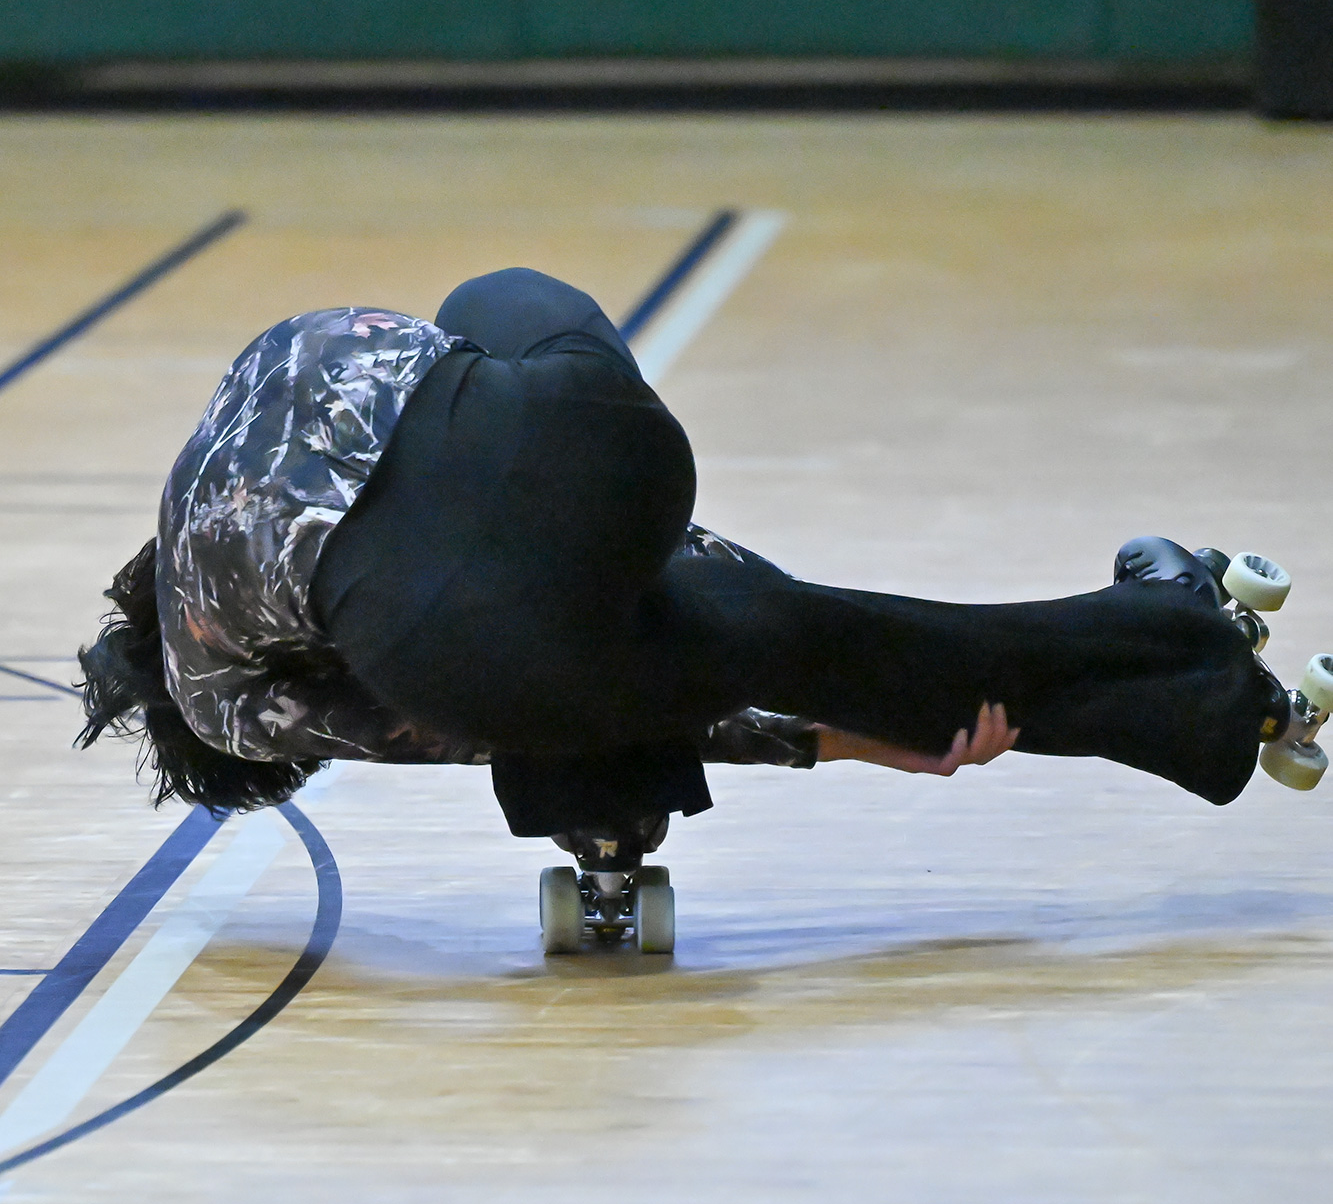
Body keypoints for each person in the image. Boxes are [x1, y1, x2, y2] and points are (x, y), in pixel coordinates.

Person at [77, 268, 1288, 841]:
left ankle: (602, 808)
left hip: (482, 627)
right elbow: (668, 575)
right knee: (487, 296)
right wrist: (816, 651)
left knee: (675, 660)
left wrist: (850, 722)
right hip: (595, 445)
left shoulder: (212, 688)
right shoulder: (238, 407)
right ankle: (1183, 666)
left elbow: (454, 720)